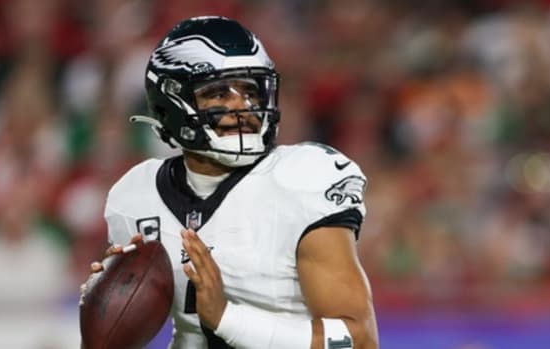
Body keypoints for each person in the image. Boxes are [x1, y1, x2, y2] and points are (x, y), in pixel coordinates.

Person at [84, 16, 379, 349]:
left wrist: (228, 320)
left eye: (251, 90)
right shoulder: (133, 197)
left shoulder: (301, 180)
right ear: (171, 102)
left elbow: (359, 339)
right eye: (219, 93)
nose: (243, 105)